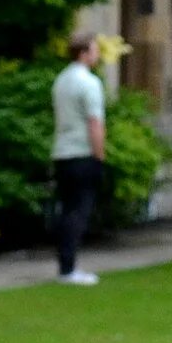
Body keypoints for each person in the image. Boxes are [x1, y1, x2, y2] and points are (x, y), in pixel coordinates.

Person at [49, 32, 108, 285]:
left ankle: (65, 264)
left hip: (62, 151)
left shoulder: (61, 80)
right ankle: (69, 269)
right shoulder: (89, 83)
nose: (97, 54)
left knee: (66, 209)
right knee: (79, 211)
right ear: (84, 53)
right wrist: (99, 156)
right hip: (82, 152)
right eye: (94, 50)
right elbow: (94, 122)